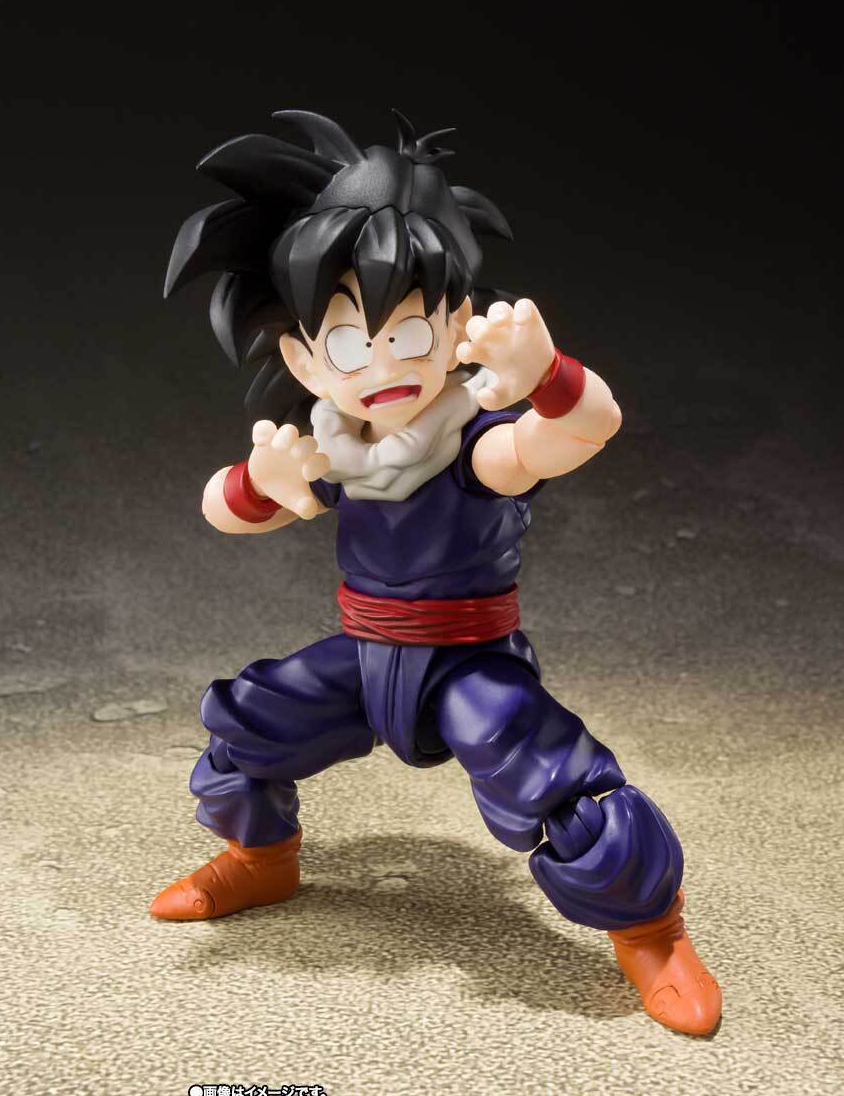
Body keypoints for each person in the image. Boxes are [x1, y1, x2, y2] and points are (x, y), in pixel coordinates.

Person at [152, 109, 722, 1036]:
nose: (380, 363)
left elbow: (584, 430)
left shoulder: (474, 444)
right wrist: (261, 480)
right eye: (347, 344)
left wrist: (547, 374)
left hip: (469, 662)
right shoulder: (339, 449)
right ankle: (260, 861)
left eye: (407, 333)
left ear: (455, 324)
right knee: (247, 726)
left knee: (561, 785)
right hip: (361, 654)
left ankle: (649, 930)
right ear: (304, 359)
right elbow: (222, 509)